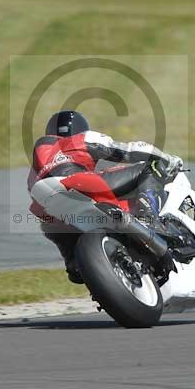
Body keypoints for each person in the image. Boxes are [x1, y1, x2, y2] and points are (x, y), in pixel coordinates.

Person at [27, 110, 182, 283]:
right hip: (78, 183)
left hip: (47, 204)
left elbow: (35, 197)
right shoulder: (80, 138)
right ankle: (149, 217)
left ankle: (74, 261)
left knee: (51, 223)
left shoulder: (37, 161)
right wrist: (167, 159)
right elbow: (130, 150)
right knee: (150, 167)